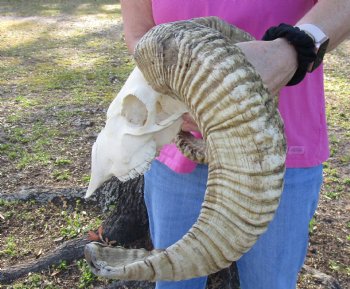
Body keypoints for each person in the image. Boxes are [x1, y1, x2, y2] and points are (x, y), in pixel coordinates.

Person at [120, 1, 350, 289]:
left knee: (270, 283)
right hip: (177, 151)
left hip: (277, 156)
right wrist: (175, 88)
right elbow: (139, 32)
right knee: (173, 283)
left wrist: (290, 50)